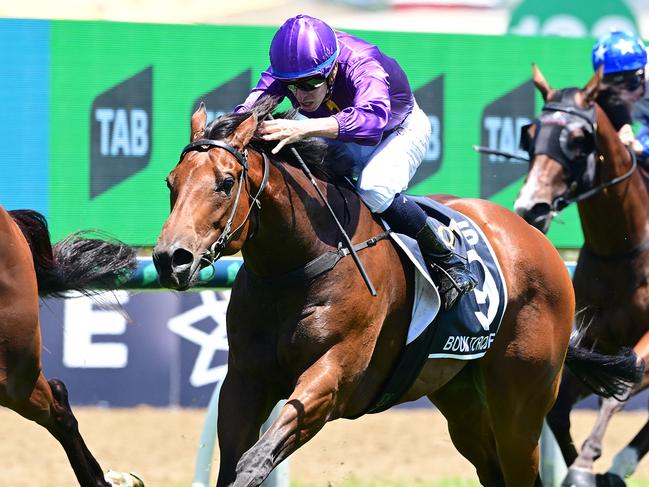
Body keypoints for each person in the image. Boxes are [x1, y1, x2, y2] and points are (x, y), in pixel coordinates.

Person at [234, 14, 476, 309]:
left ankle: (448, 258)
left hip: (396, 131)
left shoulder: (362, 61)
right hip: (341, 135)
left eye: (310, 83)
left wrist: (303, 127)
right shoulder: (295, 67)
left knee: (374, 189)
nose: (300, 94)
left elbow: (373, 119)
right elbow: (253, 103)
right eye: (291, 85)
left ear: (332, 69)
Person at [591, 30, 647, 158]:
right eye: (612, 89)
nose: (623, 96)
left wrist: (643, 147)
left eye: (631, 84)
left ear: (642, 75)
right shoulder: (603, 98)